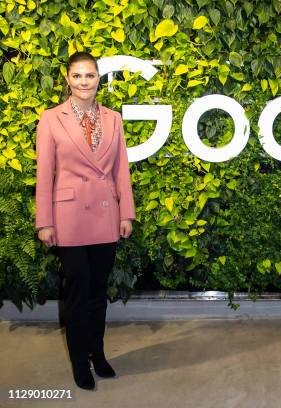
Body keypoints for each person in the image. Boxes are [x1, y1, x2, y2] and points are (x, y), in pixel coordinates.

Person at [35, 52, 135, 390]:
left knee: (97, 292)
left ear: (98, 79)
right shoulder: (51, 119)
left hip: (106, 216)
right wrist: (44, 222)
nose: (83, 82)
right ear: (67, 79)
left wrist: (126, 213)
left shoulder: (114, 119)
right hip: (68, 218)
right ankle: (80, 362)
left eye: (89, 75)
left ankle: (98, 353)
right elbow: (44, 175)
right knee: (77, 293)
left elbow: (121, 169)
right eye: (77, 76)